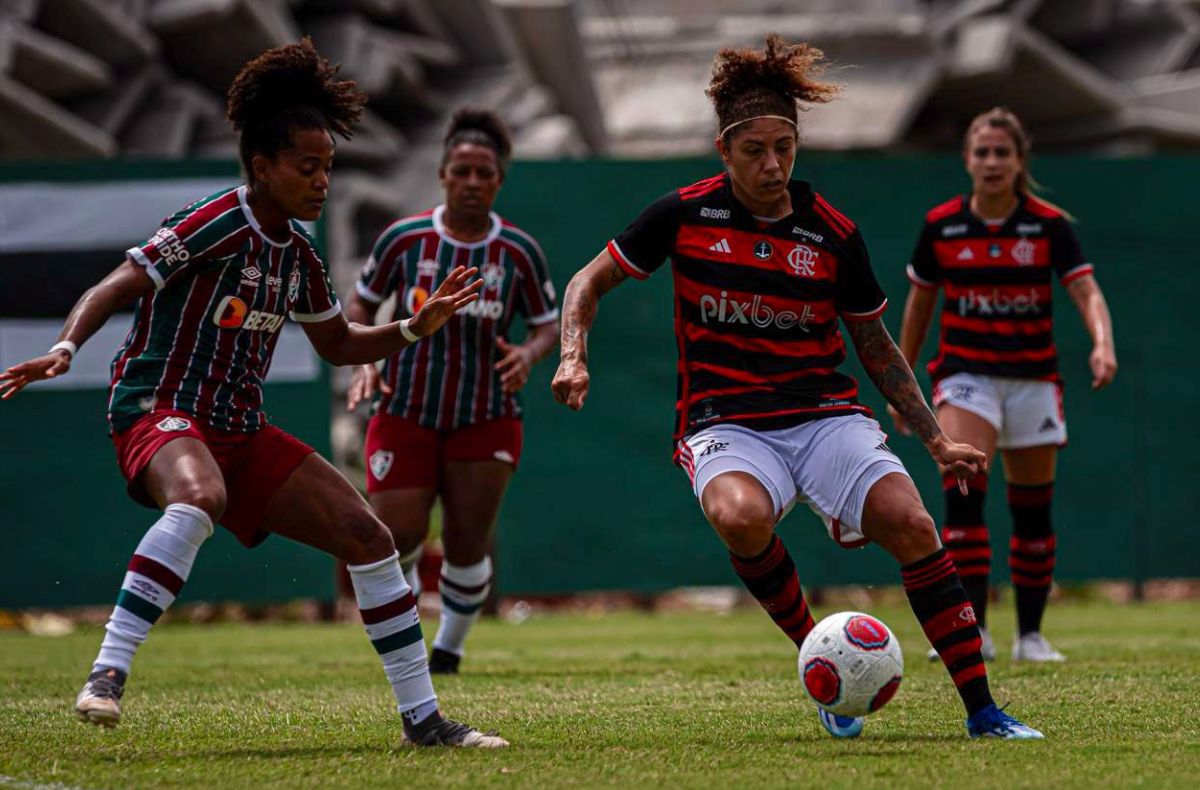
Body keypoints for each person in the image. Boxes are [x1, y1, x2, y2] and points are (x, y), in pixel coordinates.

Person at [0, 39, 507, 749]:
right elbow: (118, 283)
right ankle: (107, 673)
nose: (322, 180)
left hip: (239, 428)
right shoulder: (215, 221)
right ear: (263, 166)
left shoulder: (299, 255)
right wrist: (64, 346)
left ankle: (424, 721)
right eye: (307, 166)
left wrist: (413, 325)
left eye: (328, 166)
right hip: (159, 407)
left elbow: (338, 344)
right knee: (198, 496)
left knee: (369, 537)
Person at [551, 36, 1042, 740]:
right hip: (725, 422)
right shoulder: (684, 215)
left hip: (824, 416)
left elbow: (874, 346)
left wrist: (935, 438)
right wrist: (574, 355)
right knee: (740, 517)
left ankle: (985, 712)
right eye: (754, 150)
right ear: (724, 151)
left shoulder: (832, 231)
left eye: (785, 146)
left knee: (912, 524)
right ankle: (823, 662)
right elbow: (585, 282)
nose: (773, 164)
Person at [893, 107, 1116, 663]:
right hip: (966, 377)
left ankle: (1031, 637)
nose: (992, 162)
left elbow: (1086, 291)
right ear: (967, 160)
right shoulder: (942, 224)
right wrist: (905, 384)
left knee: (1032, 509)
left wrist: (1102, 342)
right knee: (965, 495)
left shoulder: (1047, 225)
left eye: (1002, 152)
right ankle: (974, 633)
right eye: (982, 152)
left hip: (1032, 379)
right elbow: (920, 307)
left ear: (1019, 162)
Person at [340, 108, 559, 674]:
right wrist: (363, 354)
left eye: (483, 173)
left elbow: (547, 321)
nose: (471, 182)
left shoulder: (518, 252)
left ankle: (449, 651)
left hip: (485, 413)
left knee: (467, 540)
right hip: (405, 408)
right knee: (396, 535)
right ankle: (406, 632)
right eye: (461, 170)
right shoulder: (405, 239)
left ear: (498, 181)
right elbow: (361, 303)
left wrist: (529, 353)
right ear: (442, 174)